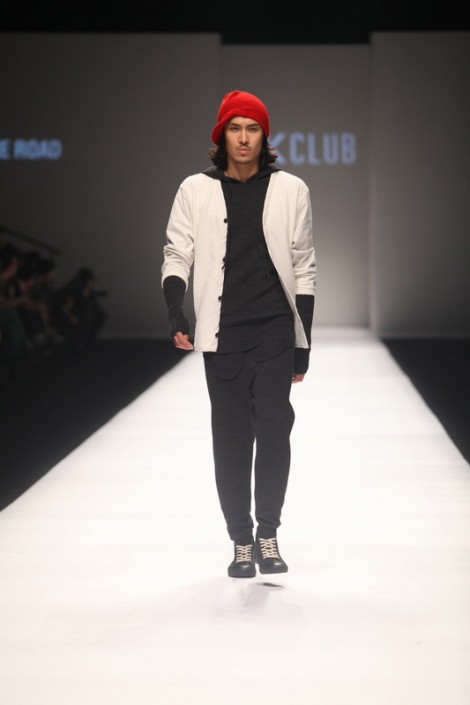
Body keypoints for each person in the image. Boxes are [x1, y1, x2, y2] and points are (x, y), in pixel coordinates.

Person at [161, 90, 316, 578]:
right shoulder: (195, 190)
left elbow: (304, 267)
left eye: (252, 129)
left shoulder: (292, 189)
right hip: (223, 331)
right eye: (235, 128)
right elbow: (177, 254)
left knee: (274, 429)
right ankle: (241, 541)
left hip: (274, 327)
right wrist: (175, 313)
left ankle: (268, 533)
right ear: (221, 135)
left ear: (264, 137)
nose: (244, 138)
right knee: (230, 439)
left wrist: (302, 341)